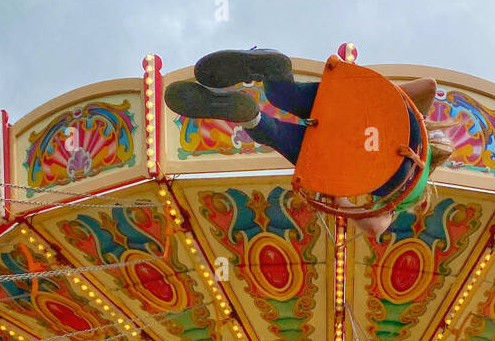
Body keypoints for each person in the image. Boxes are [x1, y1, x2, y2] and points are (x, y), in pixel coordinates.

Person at [164, 49, 455, 236]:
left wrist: (381, 106)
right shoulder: (411, 192)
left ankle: (271, 73)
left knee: (286, 95)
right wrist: (338, 197)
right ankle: (248, 114)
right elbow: (375, 227)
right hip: (343, 160)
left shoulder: (412, 129)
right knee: (272, 132)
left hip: (354, 111)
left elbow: (428, 85)